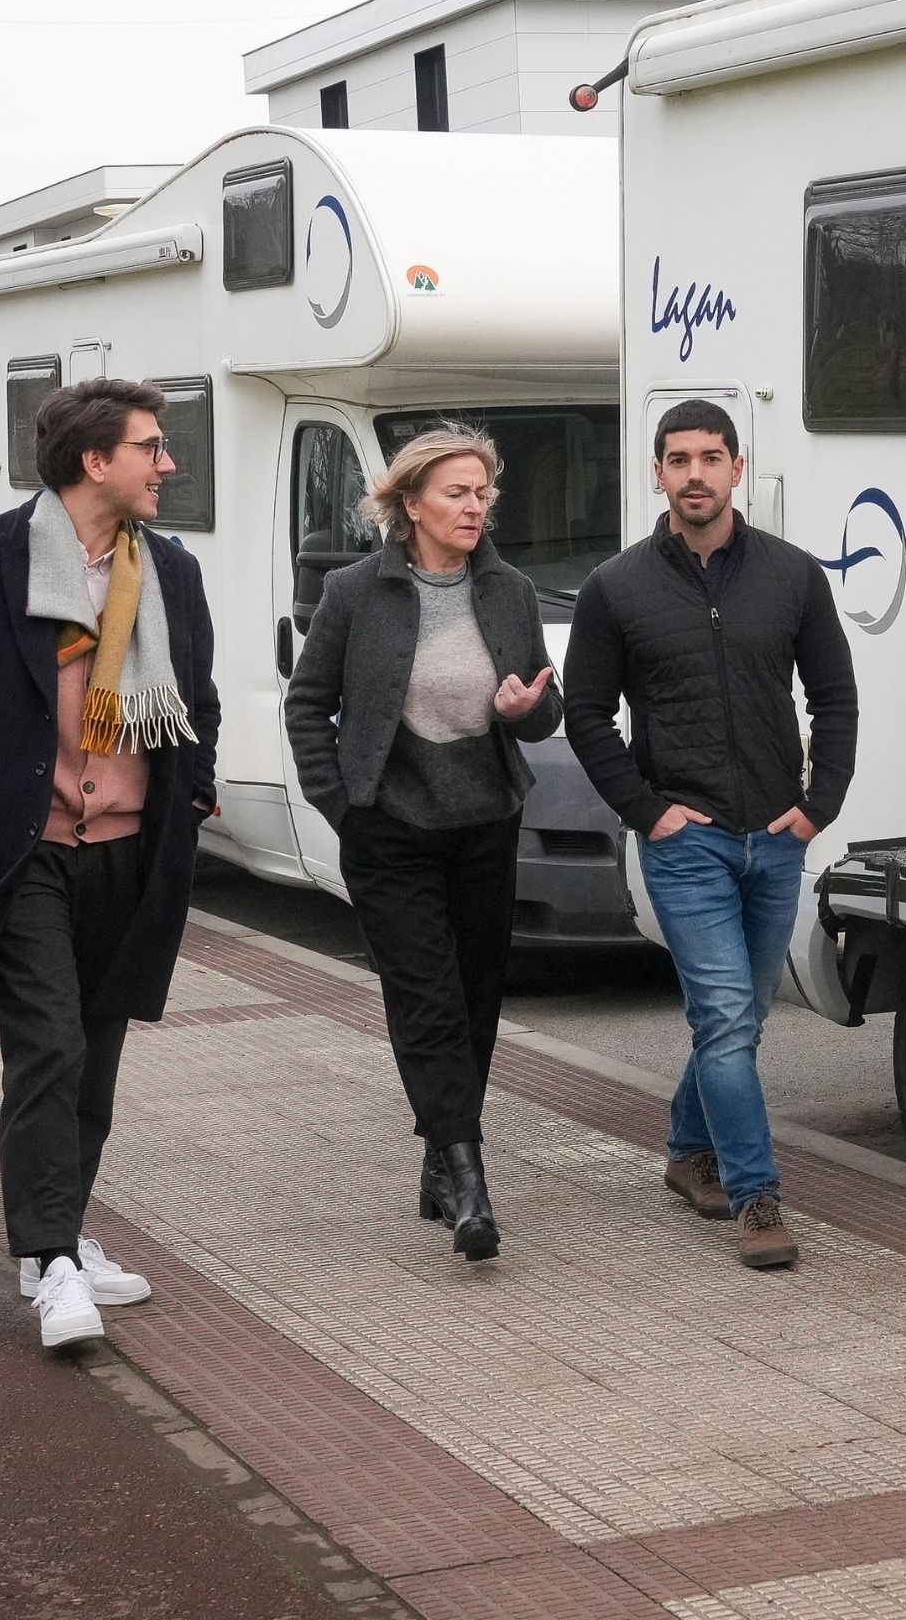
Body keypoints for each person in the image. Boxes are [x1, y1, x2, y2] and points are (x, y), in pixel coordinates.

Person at [0, 378, 219, 1353]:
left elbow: (195, 701)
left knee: (96, 1060)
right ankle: (53, 1264)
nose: (166, 464)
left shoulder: (170, 572)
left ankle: (62, 1234)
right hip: (26, 853)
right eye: (150, 447)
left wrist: (192, 792)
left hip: (128, 855)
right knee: (49, 1047)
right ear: (95, 461)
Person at [563, 400, 856, 1270]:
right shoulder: (616, 587)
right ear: (657, 472)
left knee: (744, 1017)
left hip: (776, 835)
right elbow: (587, 714)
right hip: (684, 841)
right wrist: (647, 810)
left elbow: (834, 696)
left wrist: (820, 803)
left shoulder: (793, 575)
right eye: (679, 459)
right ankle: (756, 1196)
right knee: (726, 1017)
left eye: (711, 457)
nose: (696, 474)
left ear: (736, 468)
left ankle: (689, 1149)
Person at [283, 427, 562, 1260]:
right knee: (427, 1000)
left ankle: (440, 1159)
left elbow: (544, 702)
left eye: (483, 492)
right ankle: (470, 1184)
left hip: (485, 824)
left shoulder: (510, 590)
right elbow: (307, 705)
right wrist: (342, 805)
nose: (475, 506)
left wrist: (529, 711)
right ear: (409, 503)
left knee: (474, 1000)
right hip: (389, 831)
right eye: (456, 492)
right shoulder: (353, 592)